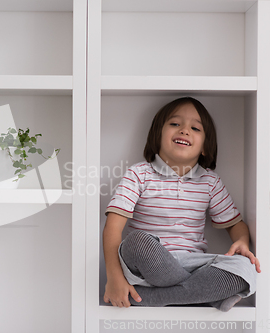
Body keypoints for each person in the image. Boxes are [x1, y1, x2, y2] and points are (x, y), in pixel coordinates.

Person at [103, 97, 261, 312]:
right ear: (157, 136)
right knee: (136, 241)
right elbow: (113, 227)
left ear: (205, 147)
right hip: (147, 266)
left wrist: (242, 241)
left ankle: (151, 298)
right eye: (175, 124)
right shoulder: (139, 174)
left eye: (195, 128)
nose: (185, 130)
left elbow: (236, 224)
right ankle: (203, 296)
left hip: (193, 265)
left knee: (246, 268)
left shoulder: (209, 182)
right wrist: (114, 278)